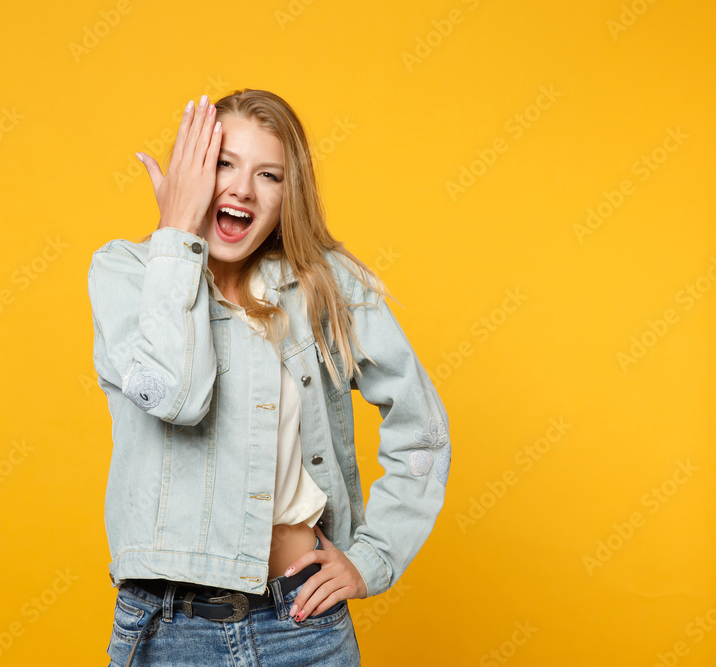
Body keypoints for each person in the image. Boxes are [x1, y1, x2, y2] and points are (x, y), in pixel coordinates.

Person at [87, 89, 451, 666]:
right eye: (222, 164)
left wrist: (373, 557)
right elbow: (177, 395)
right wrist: (177, 235)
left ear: (289, 195)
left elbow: (421, 427)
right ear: (190, 174)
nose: (241, 189)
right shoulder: (127, 274)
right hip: (171, 634)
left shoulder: (323, 283)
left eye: (269, 175)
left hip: (304, 628)